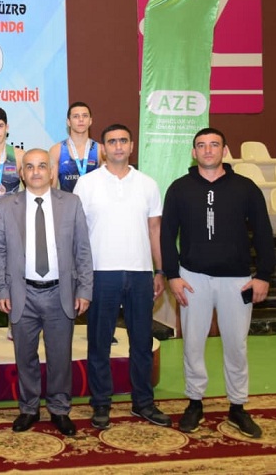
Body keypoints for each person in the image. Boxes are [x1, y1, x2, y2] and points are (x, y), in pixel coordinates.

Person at [161, 128, 275, 439]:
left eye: (214, 145)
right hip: (193, 279)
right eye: (201, 145)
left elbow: (263, 233)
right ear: (193, 152)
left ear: (225, 150)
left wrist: (264, 275)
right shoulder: (179, 188)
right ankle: (194, 402)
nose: (208, 150)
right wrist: (173, 275)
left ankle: (237, 406)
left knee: (236, 346)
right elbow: (167, 235)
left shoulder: (246, 188)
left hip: (237, 281)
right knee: (193, 344)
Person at [73, 124, 171, 430]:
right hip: (100, 274)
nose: (118, 146)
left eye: (123, 141)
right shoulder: (86, 184)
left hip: (141, 274)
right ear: (103, 148)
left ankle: (144, 402)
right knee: (99, 343)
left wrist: (160, 270)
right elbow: (77, 235)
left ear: (131, 146)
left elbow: (155, 230)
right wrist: (81, 276)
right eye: (112, 141)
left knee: (141, 341)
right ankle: (101, 403)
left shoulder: (148, 184)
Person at [0, 148, 93, 436]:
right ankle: (29, 408)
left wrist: (85, 289)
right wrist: (2, 289)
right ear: (22, 174)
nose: (36, 172)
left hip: (61, 293)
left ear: (52, 172)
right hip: (22, 293)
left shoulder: (71, 203)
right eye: (30, 167)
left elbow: (82, 249)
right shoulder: (6, 205)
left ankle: (60, 409)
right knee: (25, 356)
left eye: (42, 166)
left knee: (60, 357)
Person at [50, 101, 103, 193]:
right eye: (76, 116)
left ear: (90, 121)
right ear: (68, 122)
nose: (81, 119)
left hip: (93, 202)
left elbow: (105, 185)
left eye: (85, 116)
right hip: (66, 201)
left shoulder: (100, 150)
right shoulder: (56, 150)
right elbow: (52, 190)